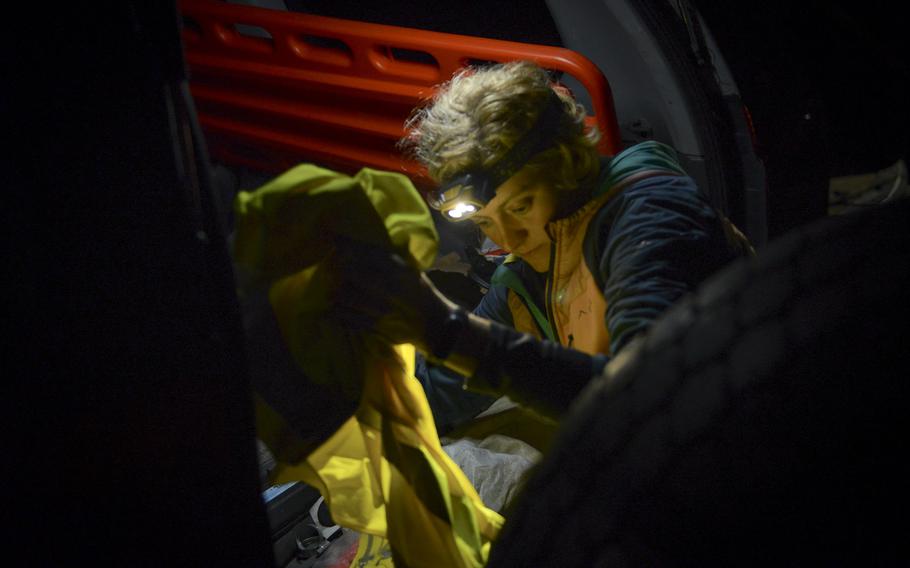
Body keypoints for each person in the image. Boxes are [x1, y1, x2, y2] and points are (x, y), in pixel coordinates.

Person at [332, 60, 753, 424]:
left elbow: (644, 397)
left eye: (521, 206)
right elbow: (442, 390)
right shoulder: (527, 277)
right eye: (484, 220)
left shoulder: (649, 216)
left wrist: (448, 329)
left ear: (566, 163)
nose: (508, 240)